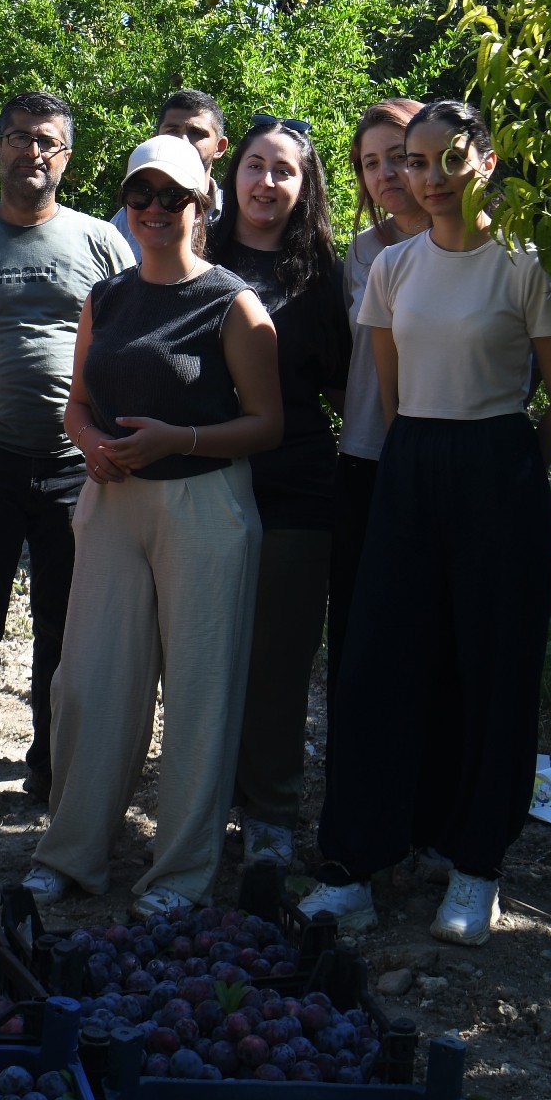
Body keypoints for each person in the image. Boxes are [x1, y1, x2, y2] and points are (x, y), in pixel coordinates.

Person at [301, 100, 551, 946]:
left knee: (492, 670)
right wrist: (426, 464)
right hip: (409, 466)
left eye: (443, 159)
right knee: (378, 666)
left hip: (499, 468)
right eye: (412, 162)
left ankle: (474, 865)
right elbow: (392, 400)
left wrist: (505, 477)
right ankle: (356, 862)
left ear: (486, 162)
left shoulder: (528, 266)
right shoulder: (392, 269)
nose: (423, 179)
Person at [24, 134, 283, 917]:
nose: (154, 211)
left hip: (204, 504)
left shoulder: (233, 302)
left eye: (172, 196)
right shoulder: (106, 296)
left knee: (200, 694)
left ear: (202, 203)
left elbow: (267, 424)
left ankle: (178, 873)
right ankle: (69, 854)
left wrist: (180, 439)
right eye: (140, 195)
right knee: (88, 684)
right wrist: (91, 442)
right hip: (111, 504)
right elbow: (75, 401)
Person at [0, 93, 134, 807]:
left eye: (49, 141)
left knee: (66, 629)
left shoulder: (100, 242)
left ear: (67, 155)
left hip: (76, 466)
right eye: (20, 138)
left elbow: (129, 347)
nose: (33, 151)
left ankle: (54, 775)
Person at [210, 117, 352, 869]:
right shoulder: (195, 254)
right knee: (201, 654)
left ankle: (268, 813)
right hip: (199, 480)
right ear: (232, 174)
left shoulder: (323, 273)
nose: (266, 183)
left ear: (305, 187)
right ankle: (200, 805)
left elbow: (346, 383)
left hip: (296, 486)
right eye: (254, 165)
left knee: (277, 659)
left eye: (284, 171)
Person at [326, 100, 427, 693]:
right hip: (365, 457)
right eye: (370, 163)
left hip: (445, 451)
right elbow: (348, 356)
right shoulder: (363, 251)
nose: (385, 174)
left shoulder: (489, 248)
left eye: (398, 157)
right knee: (359, 628)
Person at [110, 89, 230, 250]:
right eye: (172, 131)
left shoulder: (236, 215)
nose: (183, 141)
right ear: (155, 139)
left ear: (219, 147)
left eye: (197, 133)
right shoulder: (125, 222)